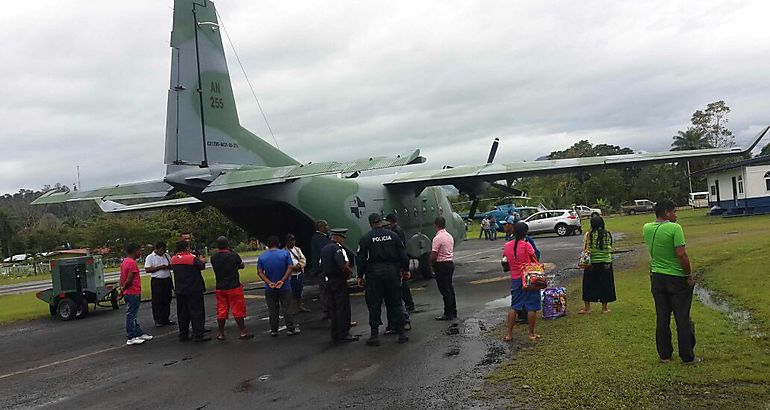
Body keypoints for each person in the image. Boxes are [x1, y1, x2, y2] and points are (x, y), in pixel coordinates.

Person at [643, 199, 698, 364]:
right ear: (667, 212)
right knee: (682, 318)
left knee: (662, 317)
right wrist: (688, 275)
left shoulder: (647, 228)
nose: (676, 215)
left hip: (657, 277)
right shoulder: (675, 228)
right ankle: (687, 356)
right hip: (676, 278)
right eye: (674, 212)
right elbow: (681, 254)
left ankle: (664, 355)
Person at [357, 213, 409, 346]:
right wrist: (405, 269)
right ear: (381, 221)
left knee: (374, 304)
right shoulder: (393, 235)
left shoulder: (366, 238)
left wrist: (360, 275)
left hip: (374, 274)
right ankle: (401, 333)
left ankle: (374, 336)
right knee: (396, 302)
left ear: (370, 223)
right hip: (392, 272)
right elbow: (403, 255)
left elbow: (361, 259)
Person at [503, 222, 541, 342]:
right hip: (528, 277)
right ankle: (531, 333)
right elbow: (535, 259)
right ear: (525, 232)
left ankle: (509, 334)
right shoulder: (527, 245)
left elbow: (505, 260)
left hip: (515, 278)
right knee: (532, 306)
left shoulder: (507, 245)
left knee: (515, 305)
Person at [210, 236, 252, 341]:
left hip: (220, 286)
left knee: (222, 310)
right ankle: (242, 331)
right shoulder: (232, 255)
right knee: (238, 309)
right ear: (227, 244)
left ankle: (221, 333)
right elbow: (241, 265)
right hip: (233, 286)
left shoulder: (214, 257)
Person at [320, 228, 358, 343]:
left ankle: (335, 333)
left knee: (333, 308)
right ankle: (344, 333)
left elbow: (321, 265)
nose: (344, 239)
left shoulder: (324, 249)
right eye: (343, 237)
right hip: (338, 281)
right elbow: (342, 264)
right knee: (343, 308)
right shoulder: (337, 248)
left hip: (328, 281)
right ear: (337, 237)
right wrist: (351, 273)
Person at [257, 235, 299, 336]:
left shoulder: (262, 256)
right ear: (279, 244)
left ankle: (274, 330)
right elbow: (289, 268)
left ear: (267, 245)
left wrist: (269, 282)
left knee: (272, 309)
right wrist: (282, 280)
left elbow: (260, 272)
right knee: (287, 308)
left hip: (270, 287)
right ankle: (290, 328)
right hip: (284, 286)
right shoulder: (285, 254)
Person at [171, 240, 210, 342]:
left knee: (182, 313)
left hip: (180, 289)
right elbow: (201, 266)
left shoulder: (174, 259)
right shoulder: (191, 258)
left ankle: (183, 334)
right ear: (187, 247)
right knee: (197, 312)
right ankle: (198, 334)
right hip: (194, 288)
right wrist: (201, 259)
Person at [579, 216, 616, 314]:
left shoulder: (588, 235)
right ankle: (604, 308)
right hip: (606, 263)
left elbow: (585, 247)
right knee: (606, 285)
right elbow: (609, 248)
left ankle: (587, 308)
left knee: (588, 285)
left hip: (591, 264)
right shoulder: (607, 234)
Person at [120, 243, 153, 346]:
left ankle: (137, 333)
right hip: (132, 291)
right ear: (135, 251)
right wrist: (124, 288)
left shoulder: (124, 261)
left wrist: (122, 289)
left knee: (133, 314)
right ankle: (131, 336)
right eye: (139, 250)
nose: (140, 252)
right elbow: (129, 279)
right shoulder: (132, 263)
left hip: (129, 292)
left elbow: (122, 277)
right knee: (131, 314)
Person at [432, 216, 457, 320]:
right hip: (449, 263)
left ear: (436, 225)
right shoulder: (449, 236)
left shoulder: (437, 238)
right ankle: (453, 310)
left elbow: (434, 254)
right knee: (450, 288)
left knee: (444, 290)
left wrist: (431, 264)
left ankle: (448, 312)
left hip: (441, 264)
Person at [145, 241, 175, 328]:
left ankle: (166, 318)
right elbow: (147, 269)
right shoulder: (150, 257)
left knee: (167, 300)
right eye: (161, 250)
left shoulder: (166, 256)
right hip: (157, 281)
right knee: (157, 301)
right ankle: (158, 320)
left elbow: (172, 266)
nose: (162, 252)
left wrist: (168, 266)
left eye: (164, 250)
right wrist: (159, 267)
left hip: (167, 280)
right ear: (156, 249)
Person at [310, 220, 332, 319]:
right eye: (326, 225)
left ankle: (327, 311)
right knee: (327, 290)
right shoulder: (320, 239)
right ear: (322, 227)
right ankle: (330, 311)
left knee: (323, 291)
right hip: (324, 269)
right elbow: (326, 253)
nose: (328, 227)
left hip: (320, 269)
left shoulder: (317, 238)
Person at [285, 234, 309, 313]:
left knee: (299, 291)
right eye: (291, 241)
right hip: (290, 275)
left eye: (293, 240)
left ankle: (300, 306)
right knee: (291, 293)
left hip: (298, 273)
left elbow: (303, 259)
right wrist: (292, 267)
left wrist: (299, 265)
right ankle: (292, 309)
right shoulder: (284, 251)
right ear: (287, 242)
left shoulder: (297, 249)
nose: (293, 242)